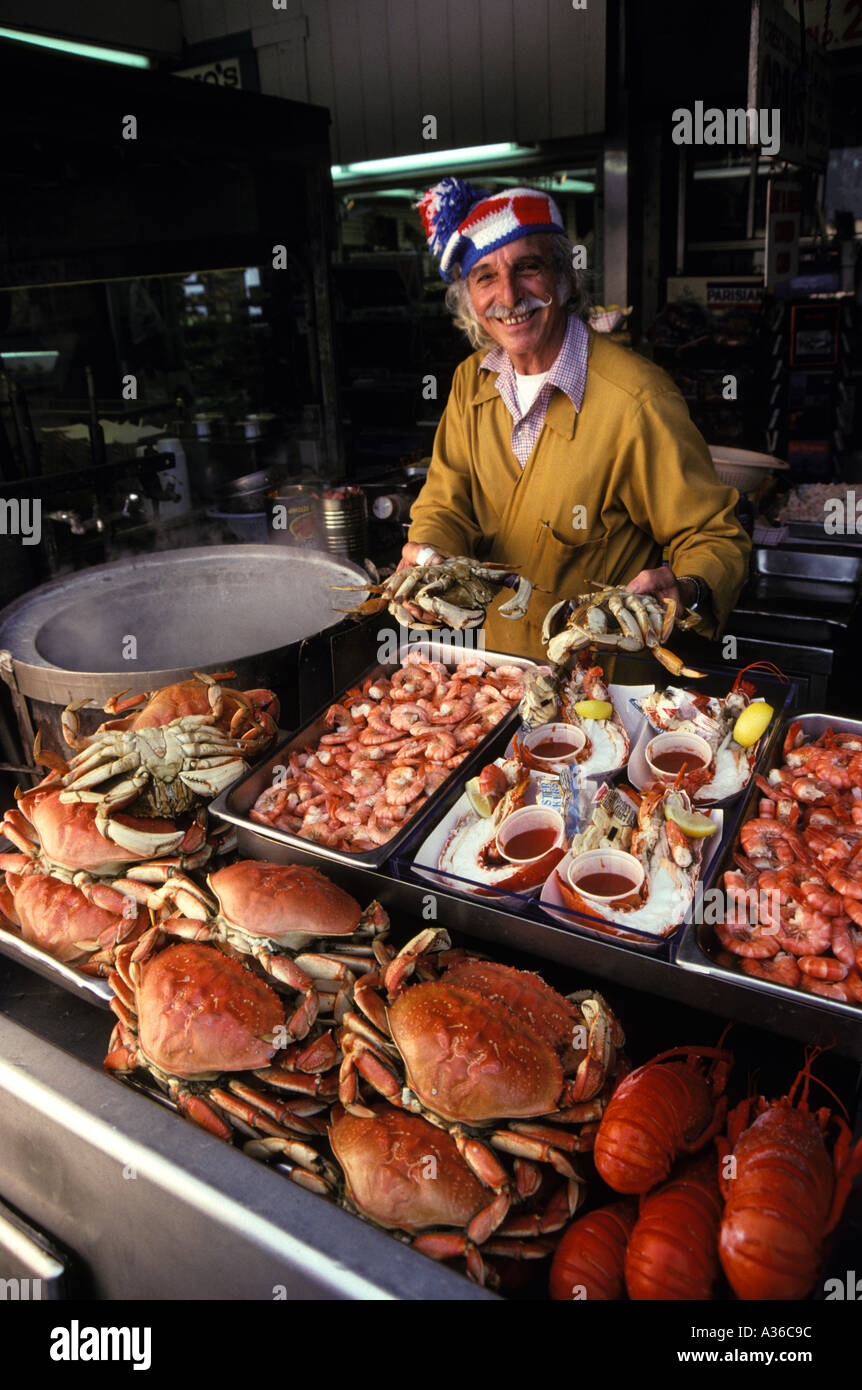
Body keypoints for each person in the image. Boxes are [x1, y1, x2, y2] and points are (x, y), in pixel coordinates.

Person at [402, 178, 751, 660]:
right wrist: (427, 553)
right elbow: (446, 501)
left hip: (601, 692)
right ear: (469, 300)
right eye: (484, 276)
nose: (508, 295)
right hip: (498, 675)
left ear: (564, 277)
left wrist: (688, 586)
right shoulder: (470, 383)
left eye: (528, 267)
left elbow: (715, 535)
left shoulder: (637, 400)